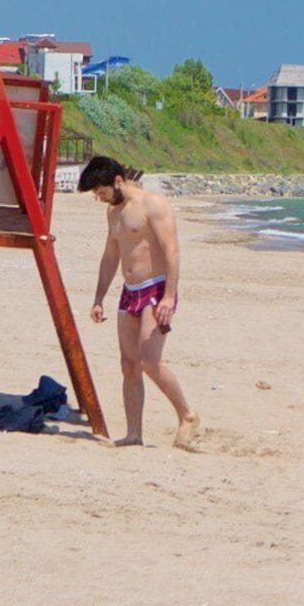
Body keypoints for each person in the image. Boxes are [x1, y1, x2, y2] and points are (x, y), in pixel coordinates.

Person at [80, 154, 201, 450]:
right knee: (129, 364)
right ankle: (134, 434)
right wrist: (98, 298)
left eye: (102, 192)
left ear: (118, 181)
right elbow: (111, 257)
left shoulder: (153, 204)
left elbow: (171, 251)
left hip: (157, 288)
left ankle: (187, 416)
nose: (100, 199)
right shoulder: (114, 213)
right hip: (130, 290)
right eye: (97, 194)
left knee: (149, 361)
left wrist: (170, 296)